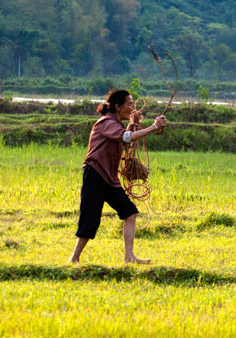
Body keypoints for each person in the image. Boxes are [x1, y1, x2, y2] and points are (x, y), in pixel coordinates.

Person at [68, 89, 167, 264]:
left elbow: (126, 141)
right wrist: (154, 127)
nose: (132, 107)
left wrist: (133, 125)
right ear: (117, 106)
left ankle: (129, 257)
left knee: (130, 213)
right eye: (129, 104)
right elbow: (126, 138)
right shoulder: (105, 123)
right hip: (96, 174)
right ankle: (74, 258)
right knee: (90, 218)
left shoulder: (116, 125)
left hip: (109, 178)